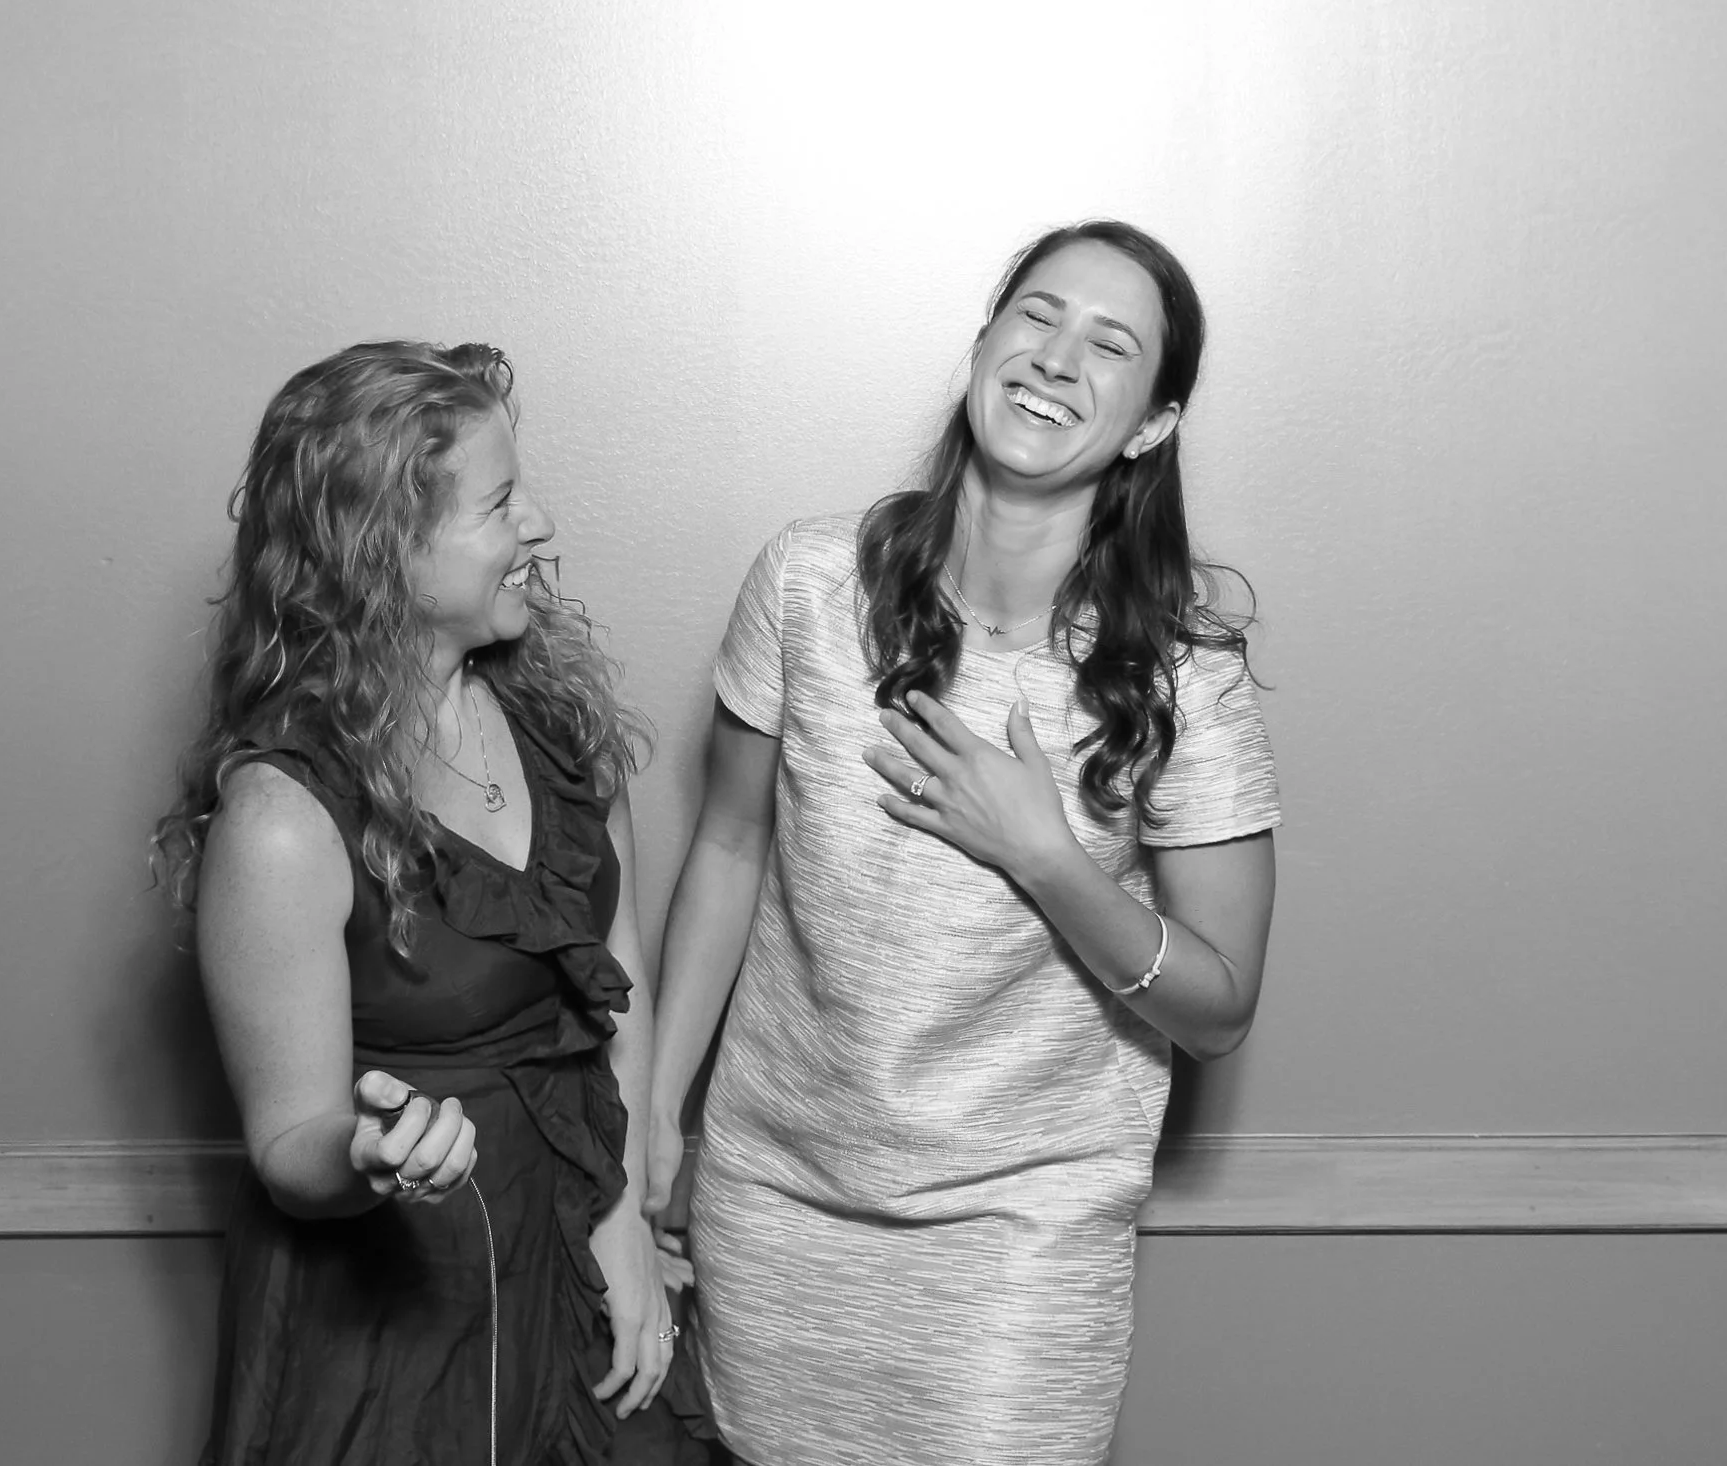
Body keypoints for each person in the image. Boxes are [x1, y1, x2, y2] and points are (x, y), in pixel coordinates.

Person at [644, 223, 1282, 1465]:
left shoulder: (1184, 674)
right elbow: (726, 849)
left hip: (1019, 1233)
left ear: (1152, 424)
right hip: (775, 1200)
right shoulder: (807, 582)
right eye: (1036, 315)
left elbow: (1220, 1007)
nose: (1056, 358)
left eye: (1111, 344)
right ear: (985, 341)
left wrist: (1046, 856)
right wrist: (658, 1115)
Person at [153, 342, 713, 1466]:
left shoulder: (558, 726)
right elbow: (289, 1145)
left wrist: (625, 1228)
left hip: (570, 1243)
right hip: (388, 1322)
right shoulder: (283, 819)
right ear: (385, 551)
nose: (540, 523)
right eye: (499, 504)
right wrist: (370, 1154)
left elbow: (615, 986)